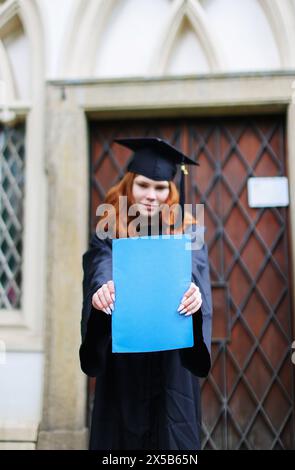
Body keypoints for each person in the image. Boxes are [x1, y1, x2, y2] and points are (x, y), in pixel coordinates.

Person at [79, 137, 213, 450]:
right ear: (129, 185)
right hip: (123, 363)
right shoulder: (108, 231)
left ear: (172, 192)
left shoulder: (187, 231)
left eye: (161, 187)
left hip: (172, 367)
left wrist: (194, 294)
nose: (151, 195)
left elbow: (194, 273)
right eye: (143, 185)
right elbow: (101, 264)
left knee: (172, 443)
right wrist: (102, 290)